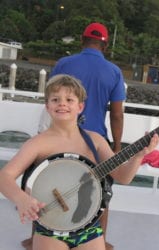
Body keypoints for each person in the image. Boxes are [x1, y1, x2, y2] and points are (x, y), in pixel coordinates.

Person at [0, 74, 159, 250]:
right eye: (55, 99)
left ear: (80, 107)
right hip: (50, 228)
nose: (62, 103)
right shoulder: (38, 143)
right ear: (47, 106)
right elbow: (4, 176)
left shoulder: (95, 140)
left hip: (88, 226)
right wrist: (21, 199)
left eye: (69, 99)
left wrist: (138, 157)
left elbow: (123, 177)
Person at [23, 22, 125, 249]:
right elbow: (117, 114)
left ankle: (35, 238)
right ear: (105, 45)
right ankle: (101, 239)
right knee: (101, 192)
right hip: (94, 141)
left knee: (44, 186)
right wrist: (116, 147)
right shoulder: (114, 71)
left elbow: (52, 93)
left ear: (82, 40)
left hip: (56, 138)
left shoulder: (64, 63)